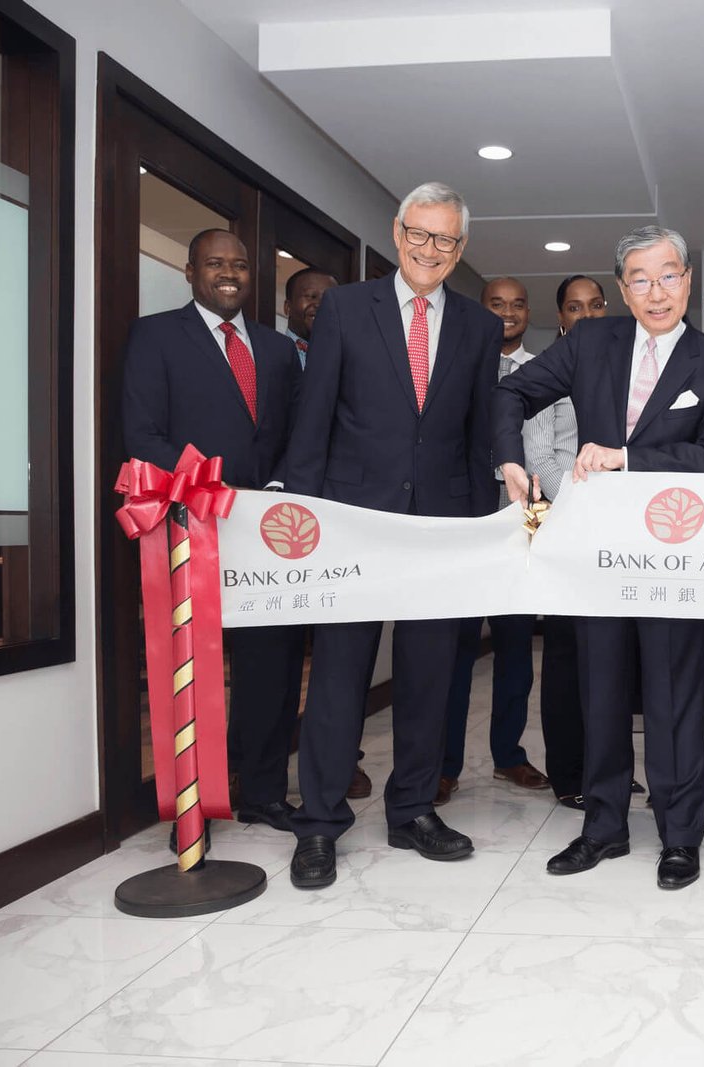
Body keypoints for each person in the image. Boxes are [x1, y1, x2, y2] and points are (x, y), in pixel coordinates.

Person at [496, 225, 704, 890]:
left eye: (668, 275)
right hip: (598, 553)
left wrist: (626, 457)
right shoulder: (588, 342)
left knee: (673, 697)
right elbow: (509, 392)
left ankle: (679, 836)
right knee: (600, 692)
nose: (656, 290)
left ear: (688, 280)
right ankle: (602, 827)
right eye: (640, 277)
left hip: (674, 552)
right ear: (621, 288)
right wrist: (510, 458)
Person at [281, 182, 502, 890]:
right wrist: (307, 519)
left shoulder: (477, 325)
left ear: (460, 248)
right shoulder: (346, 307)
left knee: (429, 677)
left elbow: (474, 434)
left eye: (446, 239)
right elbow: (313, 419)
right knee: (339, 678)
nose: (430, 249)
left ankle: (411, 809)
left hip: (438, 527)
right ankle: (319, 823)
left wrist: (473, 531)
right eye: (419, 233)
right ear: (396, 230)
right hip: (352, 524)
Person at [122, 228, 304, 836]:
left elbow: (295, 439)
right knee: (194, 668)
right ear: (190, 269)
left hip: (265, 533)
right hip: (189, 529)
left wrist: (275, 490)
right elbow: (143, 435)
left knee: (270, 668)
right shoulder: (155, 336)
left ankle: (263, 792)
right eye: (215, 263)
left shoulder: (279, 352)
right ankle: (193, 799)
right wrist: (210, 493)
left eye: (240, 265)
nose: (229, 273)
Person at [437, 277, 550, 806]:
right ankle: (444, 765)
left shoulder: (546, 374)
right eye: (496, 305)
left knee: (513, 650)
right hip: (462, 525)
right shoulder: (456, 365)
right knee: (454, 651)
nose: (508, 313)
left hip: (519, 526)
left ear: (529, 312)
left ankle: (508, 755)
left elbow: (554, 449)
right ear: (480, 312)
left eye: (518, 304)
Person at [281, 265, 372, 802]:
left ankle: (343, 763)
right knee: (284, 657)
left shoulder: (358, 353)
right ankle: (269, 773)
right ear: (289, 304)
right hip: (284, 517)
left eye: (328, 298)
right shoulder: (273, 354)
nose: (318, 306)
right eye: (308, 297)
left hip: (347, 521)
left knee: (334, 657)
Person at [537, 275, 602, 810]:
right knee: (566, 655)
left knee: (608, 658)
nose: (586, 315)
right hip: (565, 526)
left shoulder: (621, 365)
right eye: (574, 308)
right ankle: (569, 774)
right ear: (561, 317)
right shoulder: (549, 370)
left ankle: (605, 768)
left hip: (615, 534)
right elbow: (538, 457)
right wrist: (584, 508)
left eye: (595, 306)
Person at [282, 267, 336, 370]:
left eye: (328, 299)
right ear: (288, 307)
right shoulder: (269, 352)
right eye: (311, 296)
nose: (320, 304)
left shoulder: (345, 358)